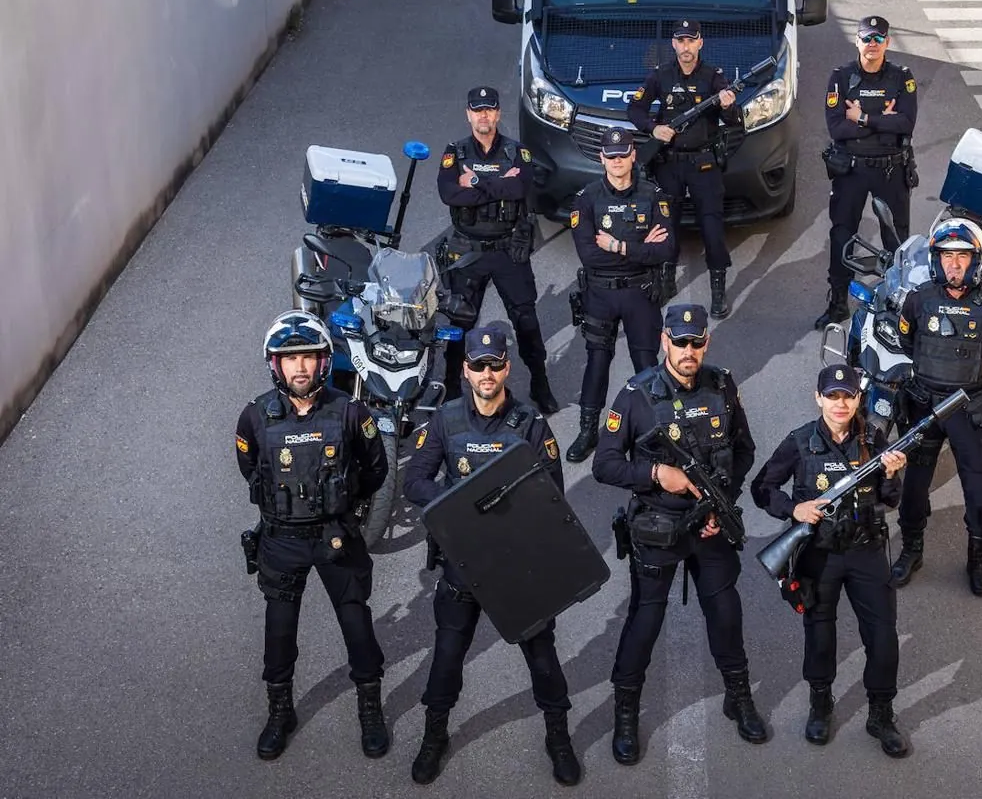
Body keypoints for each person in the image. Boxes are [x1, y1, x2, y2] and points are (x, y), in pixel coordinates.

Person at [401, 326, 580, 786]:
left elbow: (552, 492)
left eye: (495, 365)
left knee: (542, 659)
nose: (486, 373)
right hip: (463, 564)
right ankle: (433, 736)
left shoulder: (530, 423)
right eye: (478, 365)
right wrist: (458, 502)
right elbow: (415, 479)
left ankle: (558, 736)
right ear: (465, 370)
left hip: (517, 566)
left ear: (507, 367)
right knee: (446, 658)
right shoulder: (446, 419)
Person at [592, 303, 766, 764]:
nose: (689, 351)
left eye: (697, 342)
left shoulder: (723, 385)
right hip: (660, 527)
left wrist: (719, 502)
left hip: (709, 528)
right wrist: (655, 474)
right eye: (680, 341)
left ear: (706, 342)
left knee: (726, 613)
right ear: (665, 340)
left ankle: (739, 695)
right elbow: (604, 464)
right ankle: (626, 712)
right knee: (644, 622)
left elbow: (744, 450)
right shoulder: (635, 395)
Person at [234, 310, 390, 761]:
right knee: (279, 632)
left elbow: (375, 468)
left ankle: (370, 710)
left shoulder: (349, 411)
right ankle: (280, 712)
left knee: (356, 624)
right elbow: (250, 470)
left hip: (335, 536)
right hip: (281, 541)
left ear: (324, 361)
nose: (299, 366)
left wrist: (342, 505)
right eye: (289, 358)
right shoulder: (254, 417)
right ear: (274, 364)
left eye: (308, 356)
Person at [750, 363, 910, 758]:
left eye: (848, 396)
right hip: (819, 553)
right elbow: (762, 488)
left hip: (867, 551)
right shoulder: (800, 442)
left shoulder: (874, 440)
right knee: (820, 635)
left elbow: (891, 500)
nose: (841, 404)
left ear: (859, 398)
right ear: (818, 398)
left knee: (884, 638)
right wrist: (794, 509)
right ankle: (820, 704)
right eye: (833, 396)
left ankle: (881, 713)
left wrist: (891, 476)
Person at [890, 218, 982, 596]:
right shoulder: (919, 300)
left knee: (977, 493)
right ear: (936, 260)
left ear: (976, 260)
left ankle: (978, 560)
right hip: (924, 404)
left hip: (970, 406)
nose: (954, 265)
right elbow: (907, 343)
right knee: (913, 489)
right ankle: (912, 550)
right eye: (947, 256)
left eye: (962, 256)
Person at [437, 86, 559, 415]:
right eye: (477, 110)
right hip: (468, 251)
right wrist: (498, 185)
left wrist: (475, 183)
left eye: (489, 110)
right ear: (468, 114)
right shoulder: (456, 152)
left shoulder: (516, 152)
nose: (483, 116)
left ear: (498, 113)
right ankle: (451, 388)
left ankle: (540, 382)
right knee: (458, 325)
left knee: (526, 321)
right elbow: (449, 193)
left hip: (509, 250)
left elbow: (520, 187)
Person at [565, 127, 676, 464]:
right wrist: (642, 247)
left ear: (633, 156)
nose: (617, 161)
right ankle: (587, 430)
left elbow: (668, 249)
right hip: (600, 291)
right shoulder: (586, 199)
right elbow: (589, 256)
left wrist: (619, 246)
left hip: (640, 291)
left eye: (622, 154)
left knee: (647, 364)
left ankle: (657, 431)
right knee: (597, 361)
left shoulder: (654, 195)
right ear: (602, 158)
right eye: (610, 156)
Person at [628, 19, 742, 320]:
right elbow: (634, 110)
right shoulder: (660, 75)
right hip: (669, 162)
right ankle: (665, 280)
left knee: (712, 228)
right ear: (674, 44)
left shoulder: (714, 78)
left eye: (691, 40)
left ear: (700, 43)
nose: (686, 46)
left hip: (703, 164)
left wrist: (729, 106)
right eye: (681, 40)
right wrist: (654, 129)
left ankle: (718, 290)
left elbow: (734, 122)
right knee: (667, 224)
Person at [816, 15, 919, 329]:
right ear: (857, 41)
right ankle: (837, 303)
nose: (872, 44)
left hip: (891, 169)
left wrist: (862, 118)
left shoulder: (903, 77)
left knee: (896, 239)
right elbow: (836, 127)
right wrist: (882, 121)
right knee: (842, 234)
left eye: (878, 38)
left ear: (887, 42)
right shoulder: (841, 76)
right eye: (866, 38)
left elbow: (906, 124)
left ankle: (896, 304)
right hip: (852, 170)